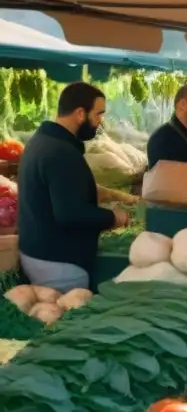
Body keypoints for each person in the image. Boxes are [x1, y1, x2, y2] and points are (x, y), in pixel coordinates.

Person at [18, 82, 129, 291]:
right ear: (80, 114)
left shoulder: (41, 141)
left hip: (38, 254)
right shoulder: (61, 153)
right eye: (98, 114)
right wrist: (114, 217)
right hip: (59, 266)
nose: (100, 121)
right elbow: (70, 214)